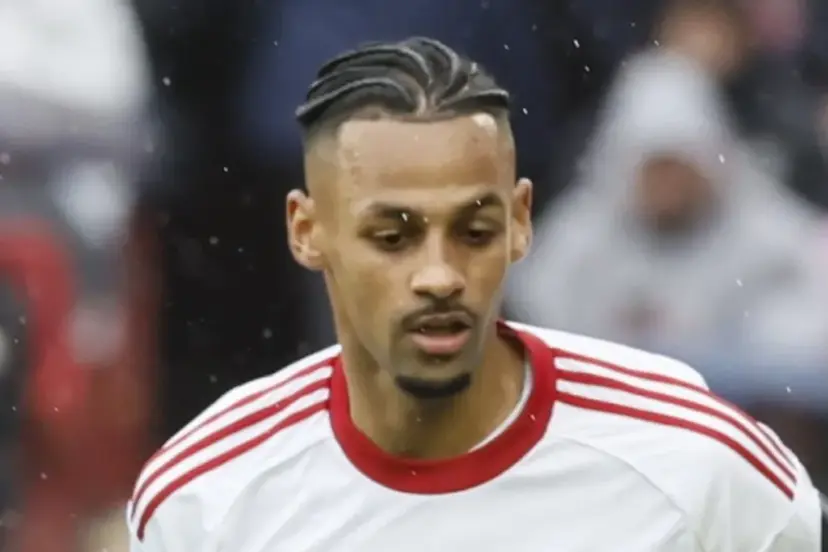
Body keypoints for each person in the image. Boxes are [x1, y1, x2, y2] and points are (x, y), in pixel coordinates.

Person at [127, 38, 822, 551]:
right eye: (393, 237)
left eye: (475, 230)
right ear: (307, 232)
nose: (440, 274)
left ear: (521, 222)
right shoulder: (207, 497)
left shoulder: (696, 460)